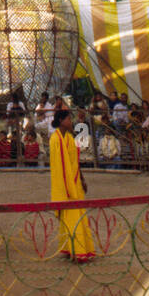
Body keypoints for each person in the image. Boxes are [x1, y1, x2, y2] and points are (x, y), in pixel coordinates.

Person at [49, 108, 95, 262]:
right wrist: (66, 187)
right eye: (69, 119)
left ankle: (76, 248)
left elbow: (75, 162)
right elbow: (58, 167)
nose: (71, 122)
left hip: (74, 182)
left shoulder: (69, 138)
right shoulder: (55, 139)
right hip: (64, 186)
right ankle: (76, 250)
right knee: (72, 217)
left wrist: (81, 179)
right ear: (61, 121)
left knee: (79, 216)